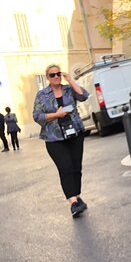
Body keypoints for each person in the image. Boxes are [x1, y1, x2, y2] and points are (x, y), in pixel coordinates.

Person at [33, 64, 90, 218]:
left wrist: (70, 79)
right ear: (47, 78)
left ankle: (77, 197)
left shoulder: (68, 89)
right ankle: (73, 202)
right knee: (65, 167)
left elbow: (84, 96)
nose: (56, 76)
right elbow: (37, 116)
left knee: (76, 167)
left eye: (58, 73)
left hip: (75, 133)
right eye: (52, 75)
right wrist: (55, 115)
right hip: (54, 138)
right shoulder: (42, 95)